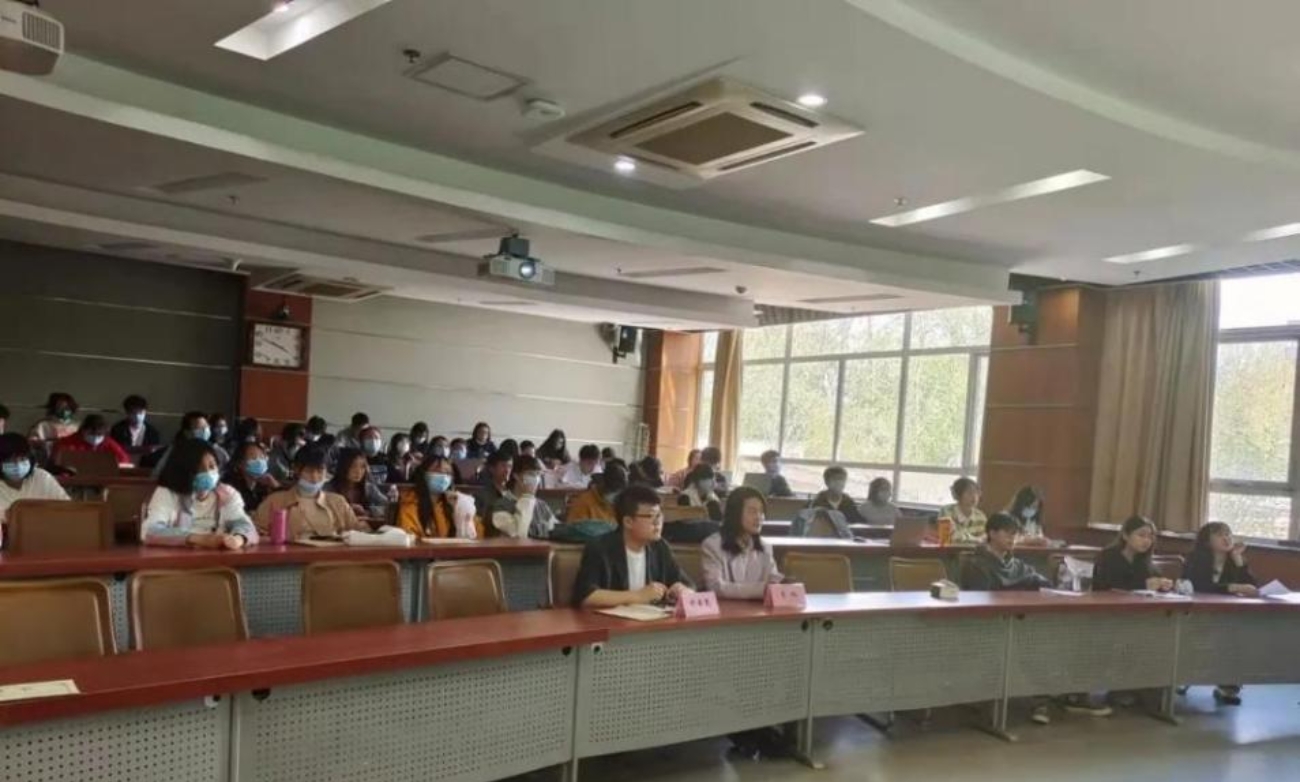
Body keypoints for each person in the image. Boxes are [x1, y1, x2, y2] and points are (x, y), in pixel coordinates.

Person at [573, 485, 694, 608]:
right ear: (628, 522)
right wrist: (637, 596)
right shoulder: (600, 548)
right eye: (651, 516)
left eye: (659, 515)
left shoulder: (659, 547)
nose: (657, 522)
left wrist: (681, 589)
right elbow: (586, 596)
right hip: (610, 619)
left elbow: (686, 584)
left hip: (651, 618)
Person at [1184, 522, 1257, 705]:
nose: (1227, 538)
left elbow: (1252, 586)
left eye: (1229, 534)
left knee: (1237, 635)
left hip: (1227, 616)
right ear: (1207, 541)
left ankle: (1228, 686)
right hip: (1196, 614)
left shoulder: (1234, 560)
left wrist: (1239, 561)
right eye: (1220, 534)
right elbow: (1198, 586)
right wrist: (1231, 587)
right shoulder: (1196, 559)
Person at [141, 439, 257, 549]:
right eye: (199, 469)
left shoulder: (226, 494)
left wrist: (238, 539)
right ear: (184, 471)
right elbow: (150, 531)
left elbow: (246, 526)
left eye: (212, 466)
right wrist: (198, 539)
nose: (208, 473)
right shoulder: (167, 493)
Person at [254, 445, 371, 540]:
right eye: (309, 471)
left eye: (320, 471)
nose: (314, 477)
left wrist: (365, 528)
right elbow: (256, 534)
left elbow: (356, 530)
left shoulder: (338, 501)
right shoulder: (275, 501)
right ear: (296, 470)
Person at [701, 486, 784, 599]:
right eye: (752, 511)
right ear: (735, 513)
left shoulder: (765, 547)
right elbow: (715, 587)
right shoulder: (712, 545)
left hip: (758, 609)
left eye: (761, 511)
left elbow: (773, 583)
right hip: (725, 608)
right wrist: (762, 590)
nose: (759, 517)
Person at [396, 454, 483, 539]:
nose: (443, 476)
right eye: (437, 471)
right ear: (423, 474)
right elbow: (409, 536)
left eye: (447, 473)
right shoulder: (409, 502)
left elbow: (476, 534)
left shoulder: (456, 503)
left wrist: (463, 509)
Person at [960, 513, 1051, 591]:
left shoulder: (1018, 566)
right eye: (1007, 532)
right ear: (992, 534)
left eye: (1014, 533)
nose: (1012, 537)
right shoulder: (976, 565)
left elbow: (1044, 584)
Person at [1092, 515, 1173, 592]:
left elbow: (1154, 579)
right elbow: (1110, 586)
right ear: (1125, 535)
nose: (1146, 541)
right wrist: (1144, 585)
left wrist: (1162, 585)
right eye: (1141, 535)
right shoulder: (1108, 556)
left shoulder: (1144, 560)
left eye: (1150, 537)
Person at [0, 433, 69, 523]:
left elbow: (67, 507)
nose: (17, 465)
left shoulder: (42, 477)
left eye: (22, 459)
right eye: (10, 460)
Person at [490, 455, 557, 539]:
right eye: (531, 474)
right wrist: (527, 497)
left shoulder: (542, 506)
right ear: (516, 476)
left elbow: (555, 531)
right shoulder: (501, 506)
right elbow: (521, 535)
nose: (536, 479)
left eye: (538, 475)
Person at [143, 411, 229, 475]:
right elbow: (157, 474)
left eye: (206, 427)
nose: (204, 431)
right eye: (199, 428)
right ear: (187, 432)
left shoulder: (218, 452)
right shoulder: (174, 451)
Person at [327, 448, 390, 524]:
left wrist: (368, 511)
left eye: (362, 467)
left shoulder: (368, 488)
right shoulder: (329, 488)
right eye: (353, 466)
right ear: (343, 467)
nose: (358, 471)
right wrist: (347, 509)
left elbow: (389, 506)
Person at [222, 441, 280, 512]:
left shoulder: (264, 484)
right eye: (253, 458)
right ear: (240, 463)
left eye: (262, 457)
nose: (259, 461)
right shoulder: (230, 486)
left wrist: (276, 487)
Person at [51, 414, 132, 466]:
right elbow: (58, 461)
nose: (95, 437)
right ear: (83, 430)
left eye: (99, 434)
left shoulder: (108, 442)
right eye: (92, 433)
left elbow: (124, 460)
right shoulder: (67, 442)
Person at [938, 477, 987, 543]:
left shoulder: (980, 515)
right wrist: (976, 539)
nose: (974, 496)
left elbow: (984, 538)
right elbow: (952, 536)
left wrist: (978, 539)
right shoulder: (946, 511)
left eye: (976, 493)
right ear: (958, 495)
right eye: (970, 493)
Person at [475, 450, 513, 519]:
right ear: (491, 468)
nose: (507, 470)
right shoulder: (481, 495)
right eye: (503, 466)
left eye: (510, 466)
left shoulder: (512, 492)